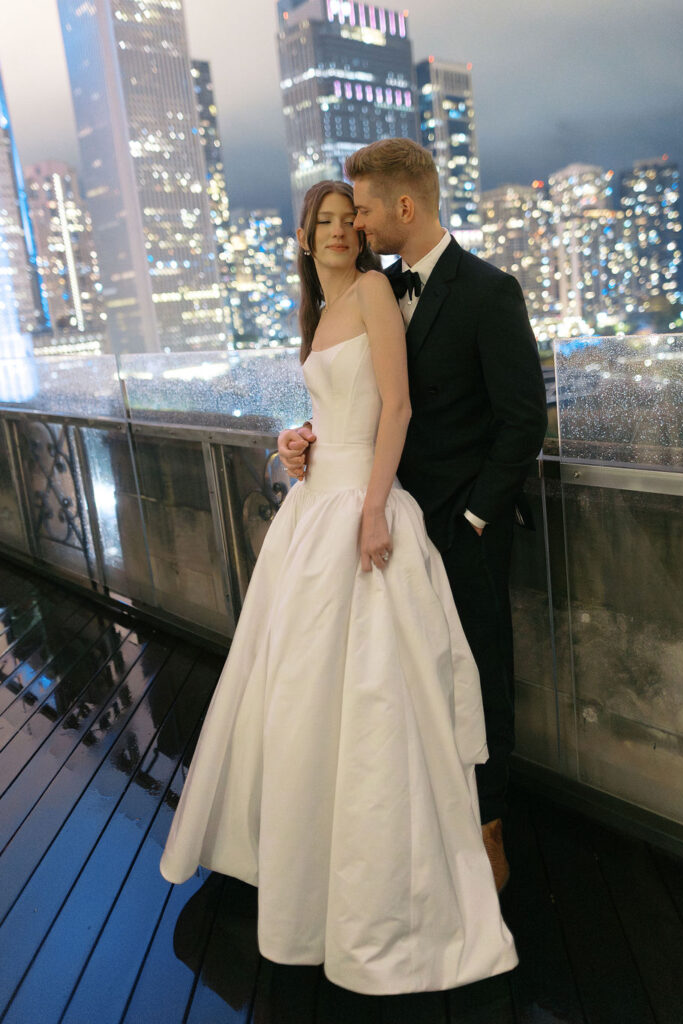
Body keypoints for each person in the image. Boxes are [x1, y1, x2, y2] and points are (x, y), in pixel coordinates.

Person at [160, 179, 519, 994]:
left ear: (360, 234)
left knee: (378, 700)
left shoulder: (373, 294)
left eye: (344, 222)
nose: (336, 233)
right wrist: (300, 441)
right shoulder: (318, 316)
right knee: (300, 693)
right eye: (322, 223)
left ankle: (386, 885)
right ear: (302, 236)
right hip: (316, 504)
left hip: (361, 509)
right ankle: (301, 863)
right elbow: (341, 409)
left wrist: (370, 512)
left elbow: (395, 408)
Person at [279, 140, 548, 892]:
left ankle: (488, 824)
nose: (355, 225)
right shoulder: (373, 288)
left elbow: (523, 421)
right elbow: (364, 399)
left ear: (403, 206)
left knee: (481, 671)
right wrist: (307, 438)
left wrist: (476, 520)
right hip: (387, 523)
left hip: (461, 530)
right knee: (400, 679)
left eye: (361, 209)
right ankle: (422, 815)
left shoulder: (491, 291)